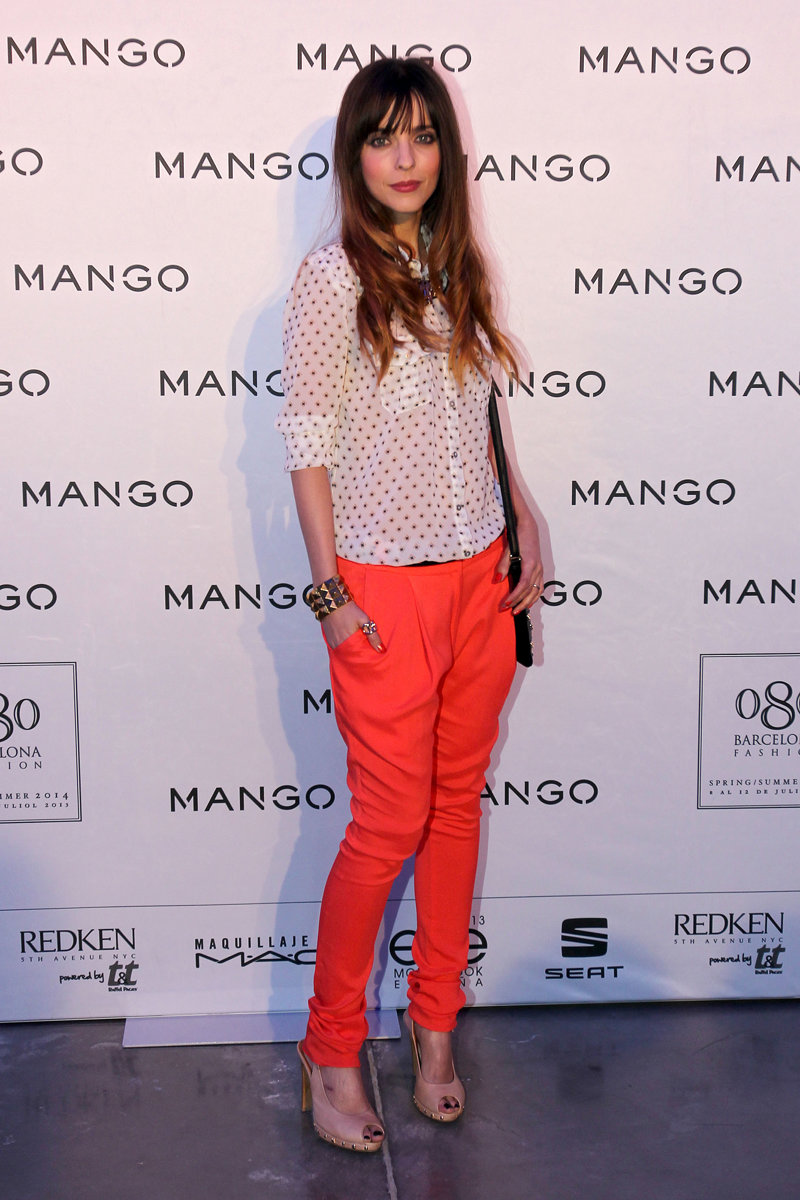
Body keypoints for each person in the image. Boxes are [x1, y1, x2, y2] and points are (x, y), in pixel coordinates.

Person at [276, 57, 542, 1152]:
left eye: (423, 136)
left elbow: (478, 411)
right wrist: (331, 597)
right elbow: (306, 446)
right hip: (381, 589)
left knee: (454, 808)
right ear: (354, 156)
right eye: (383, 136)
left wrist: (521, 514)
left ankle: (434, 1025)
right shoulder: (331, 276)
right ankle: (330, 1046)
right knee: (387, 823)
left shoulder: (456, 262)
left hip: (481, 576)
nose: (404, 157)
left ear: (445, 153)